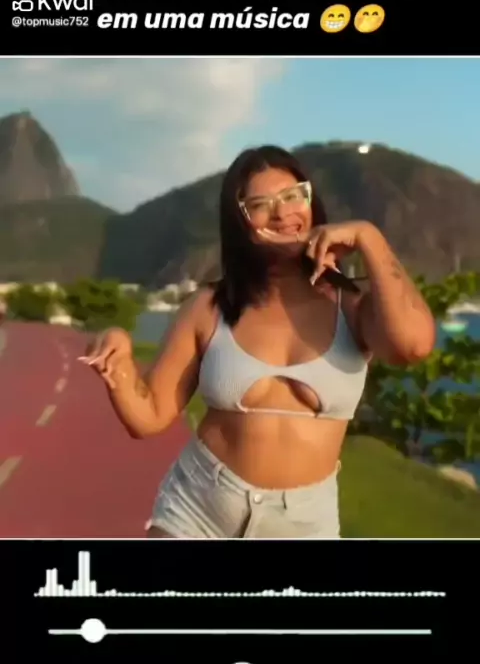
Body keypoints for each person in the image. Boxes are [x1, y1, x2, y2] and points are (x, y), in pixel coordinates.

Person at [80, 146, 436, 538]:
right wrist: (119, 358)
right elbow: (149, 416)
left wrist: (370, 238)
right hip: (197, 511)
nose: (282, 213)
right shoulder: (209, 306)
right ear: (241, 222)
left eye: (292, 196)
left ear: (310, 202)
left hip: (303, 525)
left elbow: (413, 346)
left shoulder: (353, 306)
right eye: (261, 205)